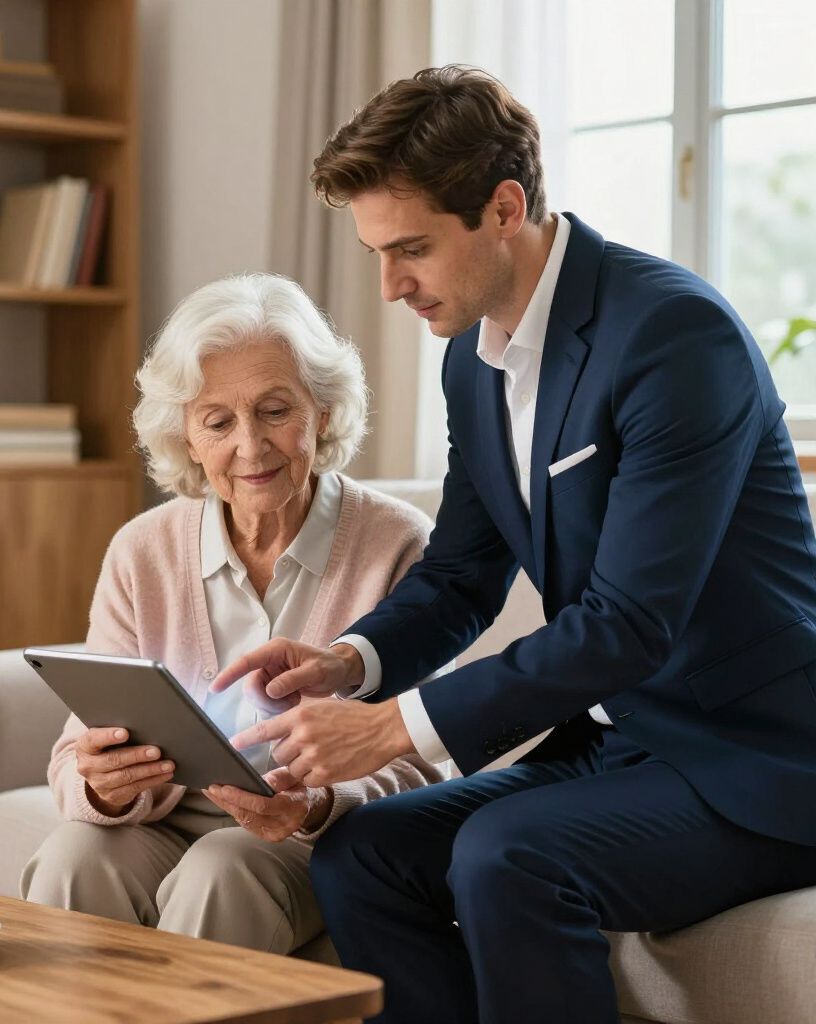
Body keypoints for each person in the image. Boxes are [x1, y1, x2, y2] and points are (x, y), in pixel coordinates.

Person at [211, 67, 816, 1021]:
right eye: (377, 251)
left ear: (503, 207)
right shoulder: (472, 359)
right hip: (618, 747)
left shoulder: (672, 335)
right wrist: (345, 664)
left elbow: (629, 624)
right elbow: (460, 575)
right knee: (363, 853)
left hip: (752, 761)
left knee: (510, 856)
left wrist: (394, 728)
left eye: (410, 249)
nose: (390, 285)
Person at [19, 271, 443, 955]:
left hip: (318, 834)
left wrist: (310, 805)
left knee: (223, 869)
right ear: (187, 436)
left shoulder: (397, 544)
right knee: (75, 854)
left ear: (323, 411)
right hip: (166, 821)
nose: (251, 445)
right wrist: (101, 785)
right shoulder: (143, 549)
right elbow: (74, 756)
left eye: (276, 410)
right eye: (218, 421)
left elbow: (420, 760)